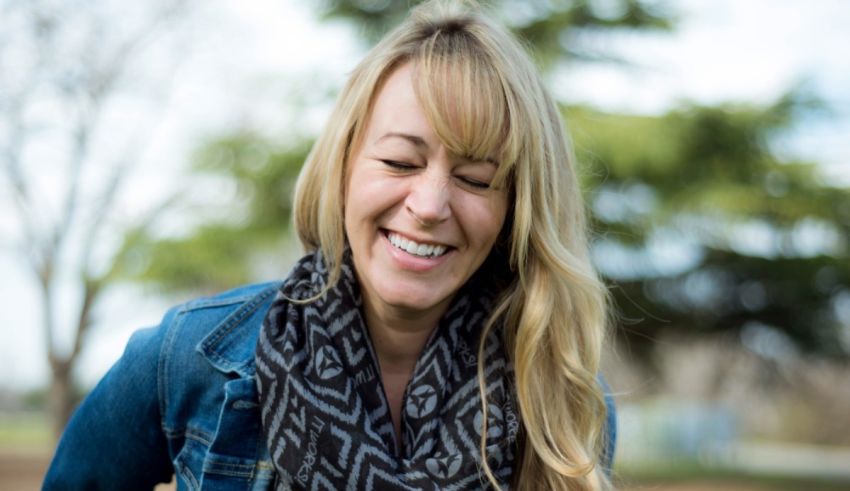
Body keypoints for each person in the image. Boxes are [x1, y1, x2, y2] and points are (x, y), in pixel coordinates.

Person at [44, 1, 615, 489]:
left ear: (516, 207)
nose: (430, 204)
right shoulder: (188, 358)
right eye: (399, 162)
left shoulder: (561, 405)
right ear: (343, 167)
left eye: (475, 179)